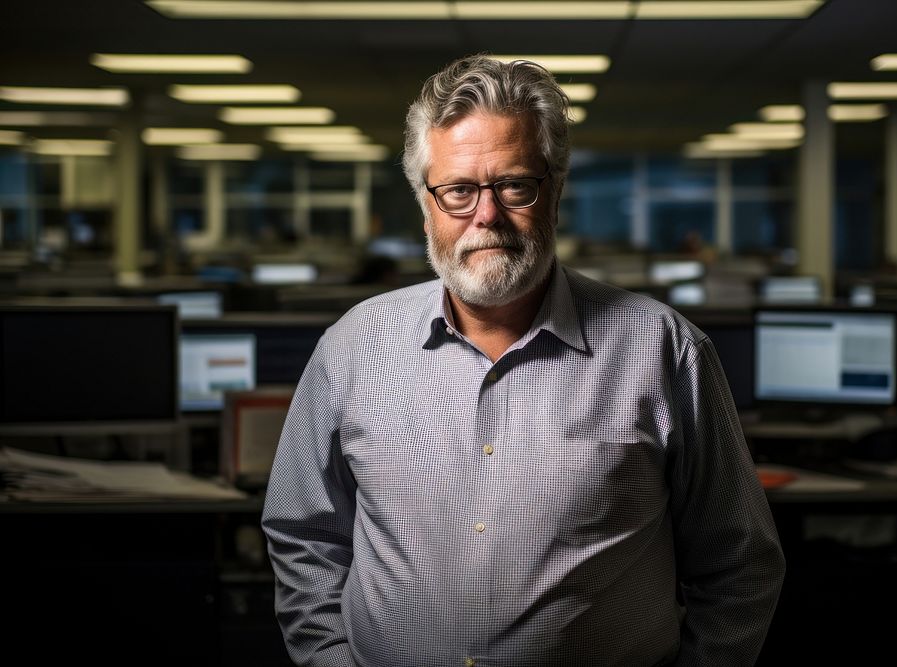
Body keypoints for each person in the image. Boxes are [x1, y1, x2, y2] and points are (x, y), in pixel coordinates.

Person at [262, 54, 785, 667]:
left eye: (514, 185)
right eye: (457, 190)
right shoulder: (351, 347)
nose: (486, 215)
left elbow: (738, 563)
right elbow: (304, 537)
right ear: (425, 203)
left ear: (554, 191)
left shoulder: (666, 350)